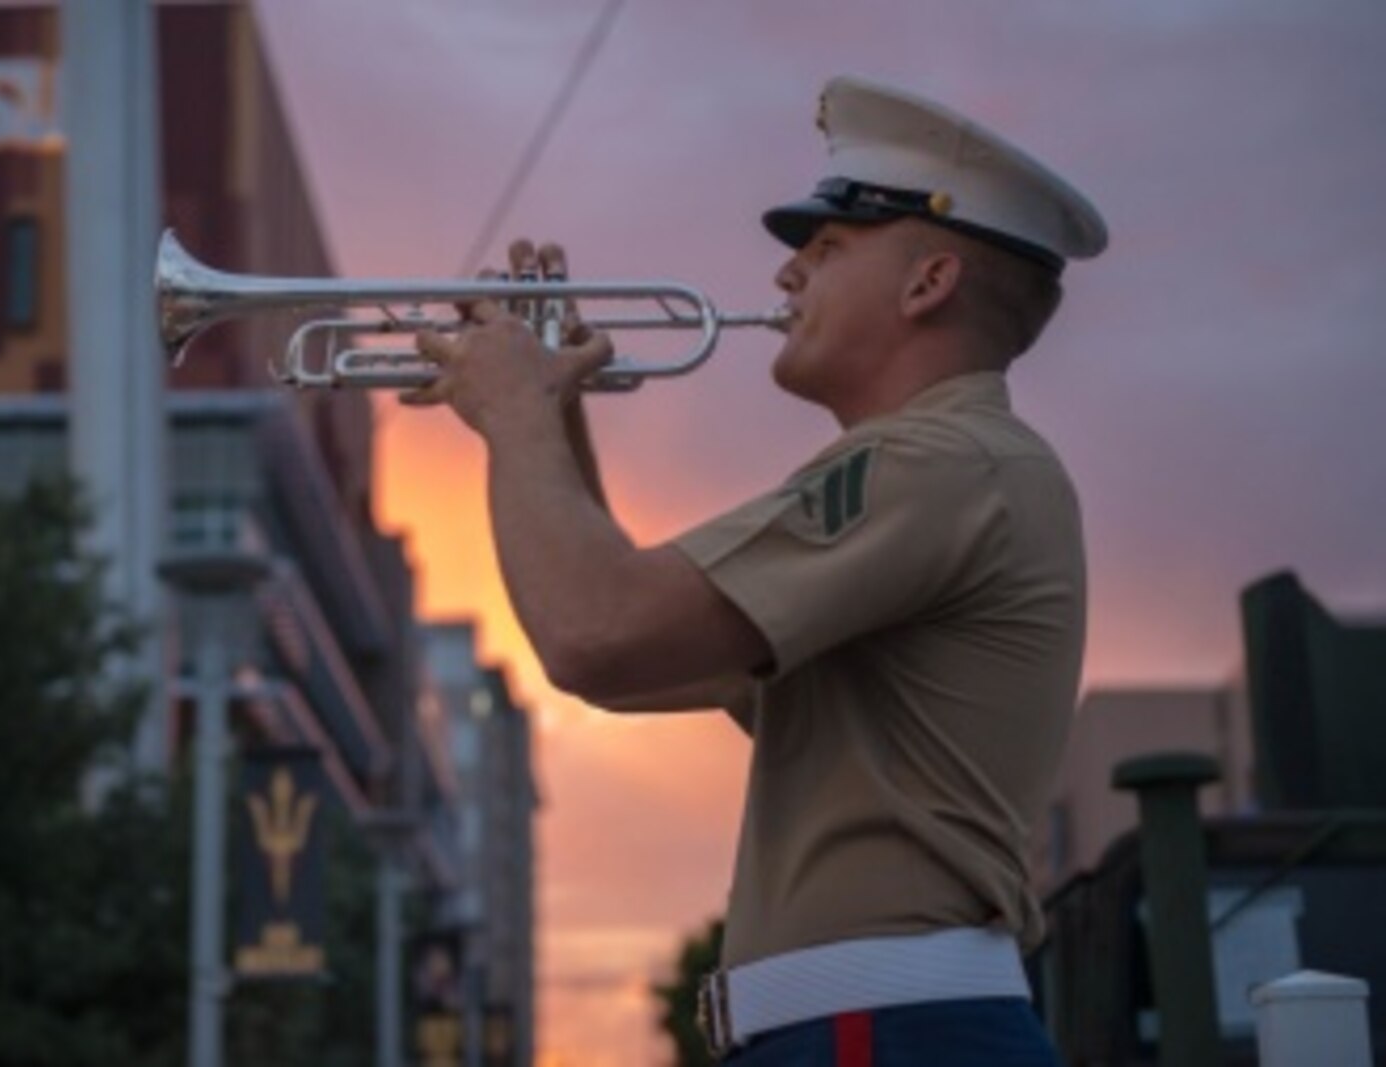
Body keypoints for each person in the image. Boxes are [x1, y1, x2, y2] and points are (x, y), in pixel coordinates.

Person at [403, 75, 1107, 1066]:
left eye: (824, 251)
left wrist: (515, 415)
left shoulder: (932, 461)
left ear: (926, 283)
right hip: (868, 1029)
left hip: (879, 1032)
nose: (783, 280)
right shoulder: (942, 472)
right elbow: (634, 655)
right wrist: (553, 411)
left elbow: (594, 635)